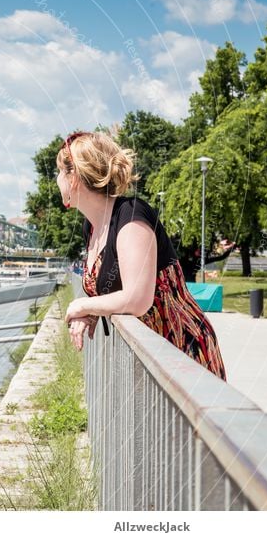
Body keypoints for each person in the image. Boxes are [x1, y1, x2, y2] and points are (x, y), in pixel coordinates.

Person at [56, 131, 226, 381]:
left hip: (180, 346)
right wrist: (92, 311)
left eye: (60, 172)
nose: (57, 180)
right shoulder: (91, 227)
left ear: (74, 179)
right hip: (151, 356)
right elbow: (113, 290)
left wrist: (82, 305)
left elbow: (137, 298)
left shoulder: (131, 216)